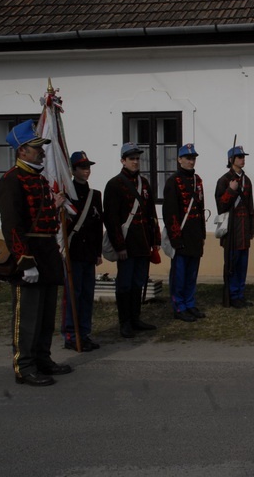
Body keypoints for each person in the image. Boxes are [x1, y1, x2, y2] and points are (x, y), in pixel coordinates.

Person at [0, 119, 73, 386]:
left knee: (46, 314)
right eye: (36, 147)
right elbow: (12, 226)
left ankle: (42, 358)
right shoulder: (11, 181)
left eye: (40, 147)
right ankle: (24, 366)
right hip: (29, 255)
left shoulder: (38, 179)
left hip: (47, 253)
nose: (41, 152)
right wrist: (24, 260)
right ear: (22, 151)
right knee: (27, 316)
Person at [103, 142, 160, 337]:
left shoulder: (144, 183)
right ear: (123, 161)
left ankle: (136, 318)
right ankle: (125, 322)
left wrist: (155, 239)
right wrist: (119, 246)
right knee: (125, 284)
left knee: (138, 282)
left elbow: (151, 213)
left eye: (137, 158)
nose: (135, 162)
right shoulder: (114, 185)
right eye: (131, 158)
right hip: (126, 244)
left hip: (143, 243)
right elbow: (111, 219)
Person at [62, 151, 103, 352]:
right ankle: (71, 334)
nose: (86, 171)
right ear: (73, 170)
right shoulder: (66, 195)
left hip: (89, 252)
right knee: (73, 295)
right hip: (73, 252)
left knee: (87, 295)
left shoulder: (95, 195)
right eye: (82, 167)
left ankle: (84, 333)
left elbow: (97, 225)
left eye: (88, 167)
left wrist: (98, 252)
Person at [163, 143, 206, 322]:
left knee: (191, 274)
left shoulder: (197, 180)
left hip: (195, 234)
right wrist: (175, 238)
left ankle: (189, 303)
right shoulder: (173, 181)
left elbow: (201, 208)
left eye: (193, 158)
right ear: (179, 159)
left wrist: (202, 234)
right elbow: (170, 212)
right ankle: (179, 306)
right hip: (181, 235)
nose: (191, 161)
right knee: (179, 275)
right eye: (188, 158)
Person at [215, 145, 254, 308]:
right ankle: (232, 295)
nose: (242, 159)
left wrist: (252, 227)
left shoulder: (247, 180)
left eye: (243, 157)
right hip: (232, 229)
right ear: (231, 160)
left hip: (244, 228)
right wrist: (231, 191)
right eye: (239, 157)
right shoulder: (224, 180)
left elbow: (250, 205)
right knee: (232, 265)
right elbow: (221, 206)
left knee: (242, 265)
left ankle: (240, 294)